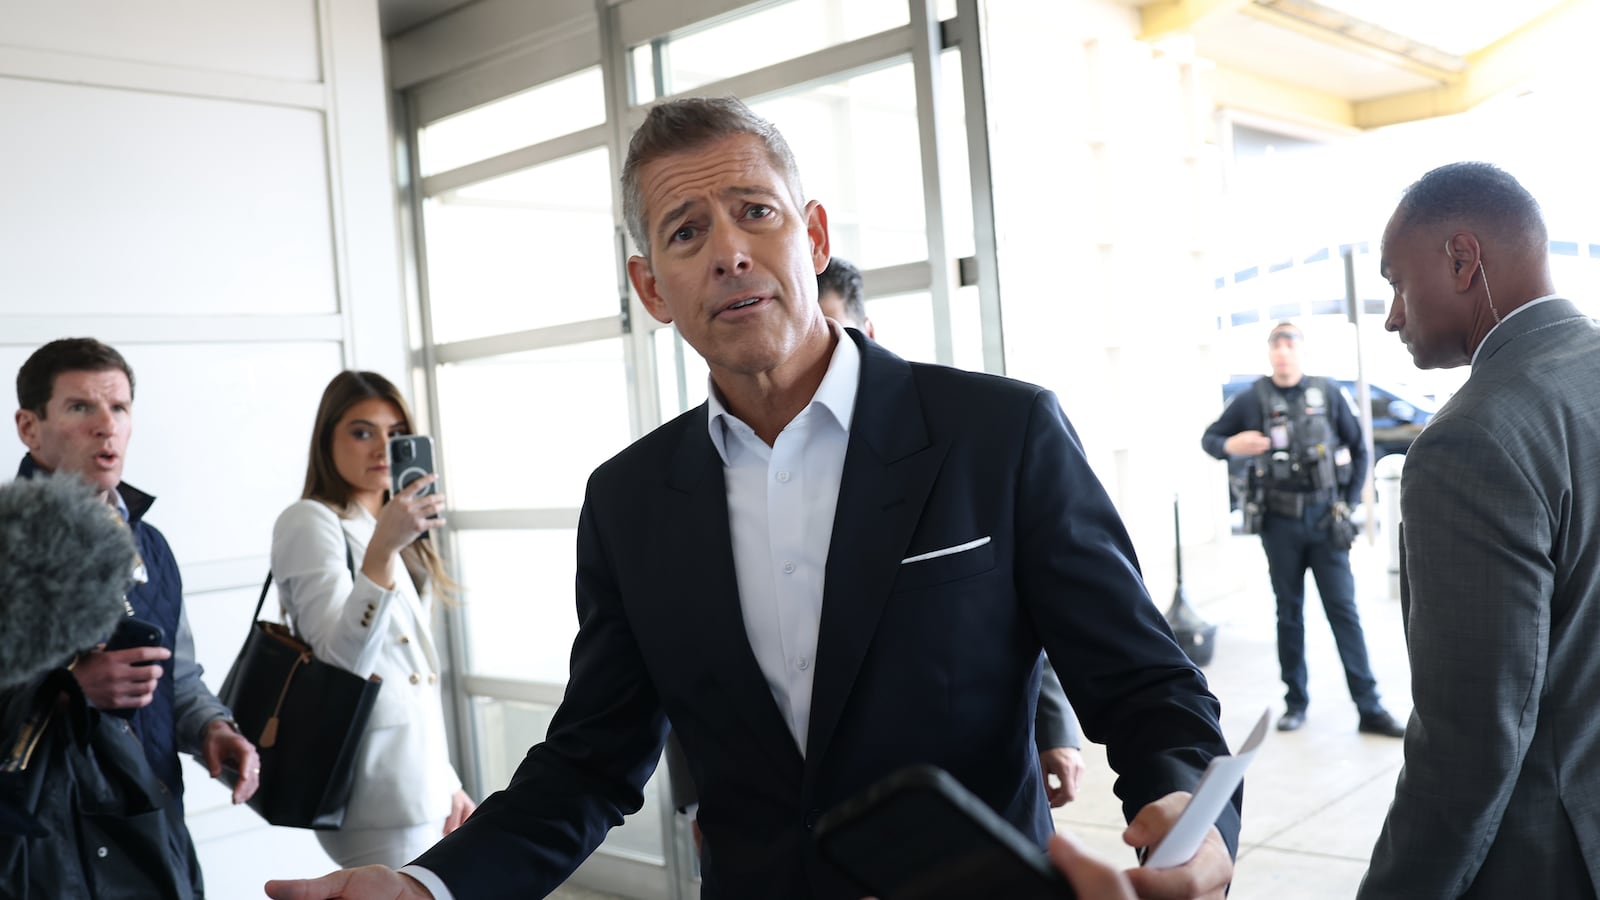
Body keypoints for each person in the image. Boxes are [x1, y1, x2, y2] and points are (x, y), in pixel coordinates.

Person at [267, 96, 1237, 900]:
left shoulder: (998, 433)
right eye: (687, 232)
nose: (728, 252)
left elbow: (1145, 685)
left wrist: (1187, 812)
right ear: (652, 288)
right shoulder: (629, 501)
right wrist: (427, 887)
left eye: (755, 213)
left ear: (810, 235)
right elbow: (591, 763)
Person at [1359, 162, 1600, 898]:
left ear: (1463, 259)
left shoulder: (1474, 439)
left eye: (1397, 283)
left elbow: (1471, 745)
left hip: (1549, 861)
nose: (1394, 316)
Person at [819, 253, 1086, 804]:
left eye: (830, 332)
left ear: (867, 333)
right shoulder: (702, 473)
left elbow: (1022, 604)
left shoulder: (978, 434)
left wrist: (1052, 724)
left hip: (962, 816)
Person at [12, 337, 259, 896]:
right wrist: (70, 689)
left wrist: (212, 731)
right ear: (30, 428)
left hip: (154, 830)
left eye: (119, 407)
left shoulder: (152, 544)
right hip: (45, 857)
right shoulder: (8, 544)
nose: (106, 426)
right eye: (81, 407)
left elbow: (180, 679)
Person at [269, 371, 475, 868]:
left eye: (396, 433)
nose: (382, 447)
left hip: (419, 778)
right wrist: (383, 548)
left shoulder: (389, 527)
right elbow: (343, 659)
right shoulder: (311, 520)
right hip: (373, 790)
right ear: (328, 440)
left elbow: (413, 678)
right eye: (362, 432)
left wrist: (446, 781)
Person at [1201, 323, 1405, 737]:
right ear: (1269, 354)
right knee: (1289, 614)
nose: (1283, 353)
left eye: (1290, 345)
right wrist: (1230, 445)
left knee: (1343, 613)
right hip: (1279, 525)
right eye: (1276, 346)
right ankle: (1296, 702)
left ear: (1302, 352)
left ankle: (1369, 707)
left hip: (1324, 520)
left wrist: (1345, 503)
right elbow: (1210, 439)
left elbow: (1360, 448)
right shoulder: (1254, 398)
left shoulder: (1327, 393)